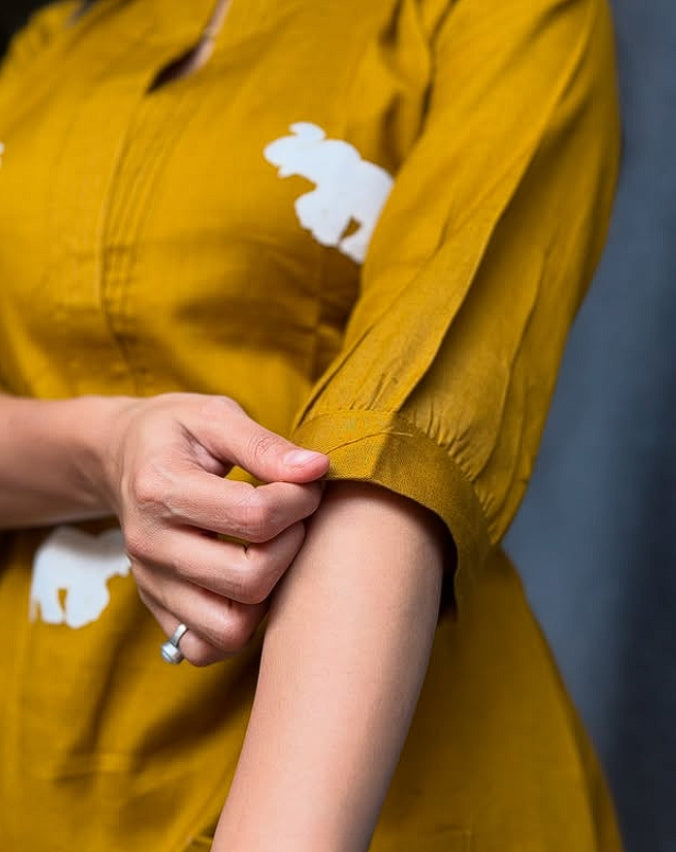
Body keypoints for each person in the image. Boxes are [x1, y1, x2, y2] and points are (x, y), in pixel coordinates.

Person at [0, 0, 623, 849]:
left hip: (361, 789)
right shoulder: (51, 50)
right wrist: (107, 448)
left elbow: (408, 438)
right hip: (41, 775)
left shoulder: (501, 17)